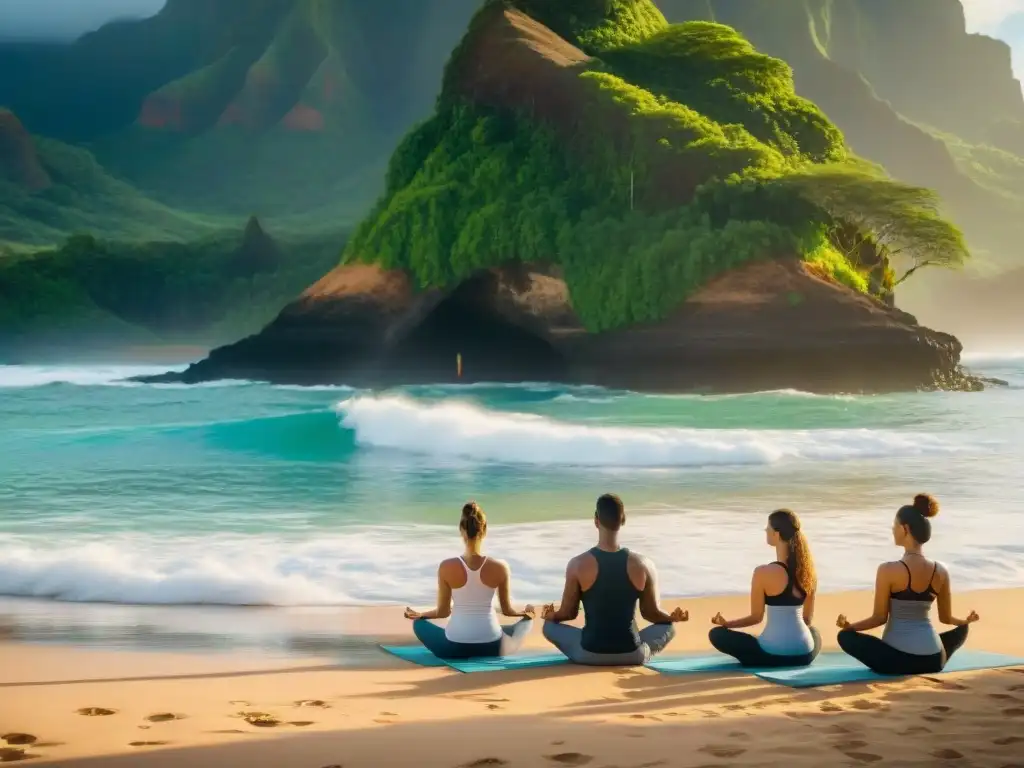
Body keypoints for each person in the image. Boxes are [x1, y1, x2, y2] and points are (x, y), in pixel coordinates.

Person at [836, 494, 979, 675]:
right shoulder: (941, 571)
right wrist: (965, 622)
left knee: (845, 637)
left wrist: (849, 627)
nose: (892, 530)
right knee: (961, 629)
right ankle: (960, 629)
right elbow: (946, 618)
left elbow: (879, 618)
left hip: (898, 661)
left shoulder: (887, 570)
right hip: (935, 659)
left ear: (905, 529)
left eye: (894, 526)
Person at [541, 493, 688, 665]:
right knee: (668, 626)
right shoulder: (644, 564)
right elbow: (651, 614)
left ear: (596, 521)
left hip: (588, 654)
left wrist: (552, 615)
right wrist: (672, 617)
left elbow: (569, 613)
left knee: (549, 626)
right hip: (632, 655)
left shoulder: (577, 564)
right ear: (623, 519)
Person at [404, 501, 534, 659]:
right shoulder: (500, 567)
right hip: (493, 647)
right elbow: (507, 611)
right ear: (484, 530)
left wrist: (421, 614)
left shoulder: (446, 566)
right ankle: (523, 621)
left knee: (419, 623)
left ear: (461, 530)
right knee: (525, 623)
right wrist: (524, 614)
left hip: (454, 649)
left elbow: (443, 612)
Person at [708, 509, 822, 667]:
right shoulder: (809, 573)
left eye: (768, 527)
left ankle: (768, 645)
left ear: (777, 534)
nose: (765, 530)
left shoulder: (763, 572)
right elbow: (807, 620)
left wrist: (727, 624)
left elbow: (756, 617)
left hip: (771, 656)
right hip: (804, 655)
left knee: (717, 634)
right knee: (814, 633)